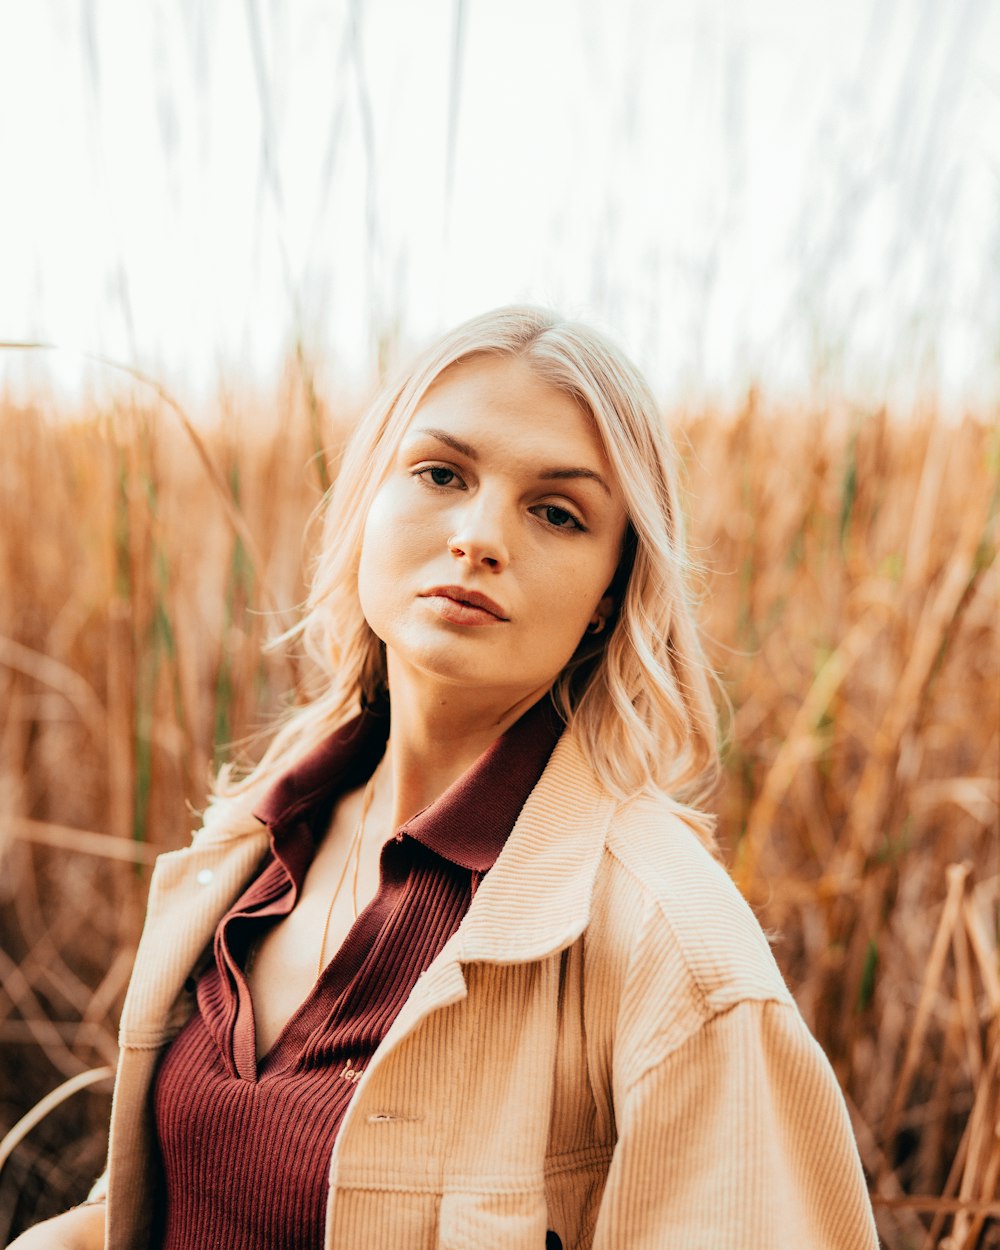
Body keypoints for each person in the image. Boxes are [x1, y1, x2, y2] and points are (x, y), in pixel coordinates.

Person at [10, 306, 879, 1250]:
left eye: (557, 511)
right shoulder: (248, 845)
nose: (477, 536)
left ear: (608, 596)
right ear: (366, 505)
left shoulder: (674, 952)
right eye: (440, 473)